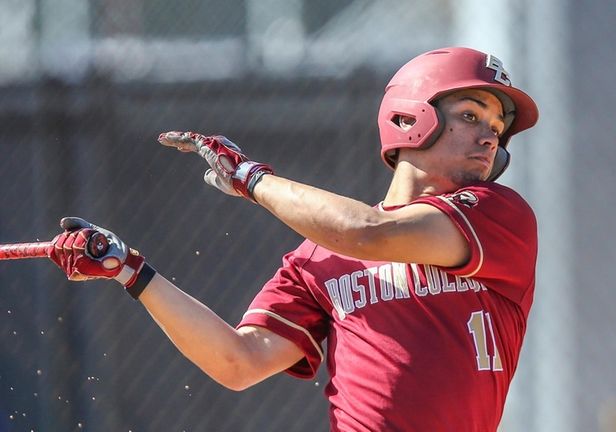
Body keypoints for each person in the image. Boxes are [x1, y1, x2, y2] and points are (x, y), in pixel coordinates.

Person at [46, 47, 539, 431]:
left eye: (497, 128)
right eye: (472, 116)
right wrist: (131, 271)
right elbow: (239, 361)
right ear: (412, 117)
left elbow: (369, 234)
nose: (490, 137)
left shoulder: (499, 217)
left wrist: (251, 179)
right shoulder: (319, 256)